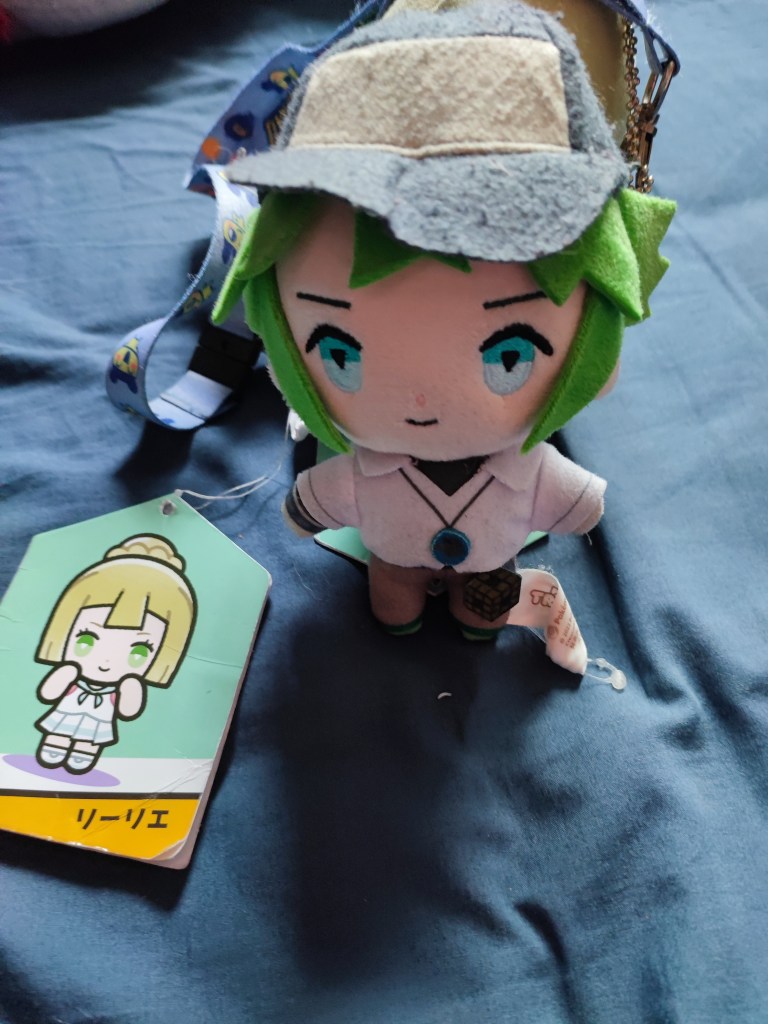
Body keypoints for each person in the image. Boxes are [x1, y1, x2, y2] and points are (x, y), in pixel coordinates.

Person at [213, 1, 675, 645]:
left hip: (486, 563)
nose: (422, 402)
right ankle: (399, 608)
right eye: (340, 352)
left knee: (481, 603)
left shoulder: (515, 468)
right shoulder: (381, 469)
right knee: (393, 596)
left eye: (510, 355)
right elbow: (320, 499)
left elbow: (577, 500)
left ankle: (467, 615)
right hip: (397, 558)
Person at [34, 534, 196, 774]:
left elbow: (128, 711)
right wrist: (64, 673)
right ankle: (55, 744)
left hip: (99, 721)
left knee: (90, 741)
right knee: (58, 733)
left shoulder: (122, 686)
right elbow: (48, 693)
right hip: (66, 713)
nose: (106, 662)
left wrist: (131, 688)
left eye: (139, 652)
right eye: (86, 641)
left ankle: (84, 751)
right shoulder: (72, 675)